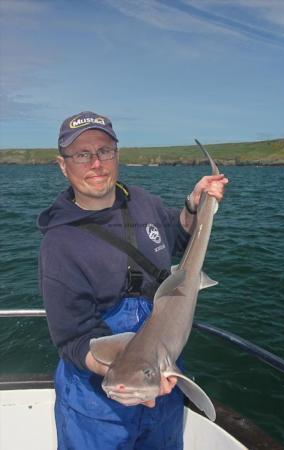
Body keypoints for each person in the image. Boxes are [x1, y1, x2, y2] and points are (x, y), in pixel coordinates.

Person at [38, 111, 228, 450]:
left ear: (117, 155)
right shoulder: (60, 244)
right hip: (97, 410)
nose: (96, 163)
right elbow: (74, 339)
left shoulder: (143, 201)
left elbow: (179, 238)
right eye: (82, 155)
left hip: (163, 387)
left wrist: (195, 205)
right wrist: (121, 378)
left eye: (105, 151)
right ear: (63, 165)